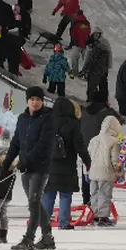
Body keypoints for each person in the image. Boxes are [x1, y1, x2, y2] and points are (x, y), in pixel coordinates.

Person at [5, 87, 57, 250]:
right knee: (34, 202)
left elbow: (43, 145)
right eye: (32, 99)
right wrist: (7, 161)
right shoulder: (22, 118)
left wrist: (26, 160)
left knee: (34, 202)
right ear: (27, 101)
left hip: (40, 167)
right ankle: (47, 237)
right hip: (25, 167)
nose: (35, 102)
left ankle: (29, 238)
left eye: (38, 99)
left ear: (42, 101)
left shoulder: (48, 119)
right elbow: (16, 142)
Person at [43, 97, 91, 230]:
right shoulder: (73, 124)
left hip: (49, 165)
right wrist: (87, 161)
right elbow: (80, 146)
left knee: (48, 194)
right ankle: (63, 222)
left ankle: (44, 221)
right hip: (67, 165)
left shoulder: (47, 122)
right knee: (65, 194)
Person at [87, 113, 124, 226]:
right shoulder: (114, 141)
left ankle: (94, 214)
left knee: (94, 194)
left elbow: (88, 156)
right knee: (104, 194)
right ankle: (103, 216)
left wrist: (86, 171)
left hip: (93, 171)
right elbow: (115, 160)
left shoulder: (93, 139)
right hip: (106, 172)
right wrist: (119, 172)